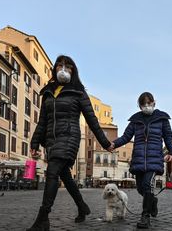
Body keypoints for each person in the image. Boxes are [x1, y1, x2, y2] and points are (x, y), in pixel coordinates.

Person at [27, 55, 114, 231]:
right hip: (51, 141)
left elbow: (92, 119)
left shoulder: (79, 92)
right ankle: (82, 206)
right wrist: (34, 143)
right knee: (66, 176)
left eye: (68, 66)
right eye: (59, 65)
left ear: (73, 71)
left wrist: (105, 143)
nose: (63, 69)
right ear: (55, 69)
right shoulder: (48, 93)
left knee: (52, 173)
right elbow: (42, 121)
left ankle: (43, 218)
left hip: (69, 136)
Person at [110, 92, 172, 229]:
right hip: (139, 159)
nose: (146, 106)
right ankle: (153, 200)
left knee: (147, 185)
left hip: (154, 159)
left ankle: (145, 216)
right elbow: (126, 137)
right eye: (143, 104)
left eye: (149, 103)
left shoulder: (162, 118)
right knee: (141, 189)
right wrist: (114, 144)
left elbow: (168, 137)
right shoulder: (135, 120)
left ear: (154, 103)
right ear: (140, 106)